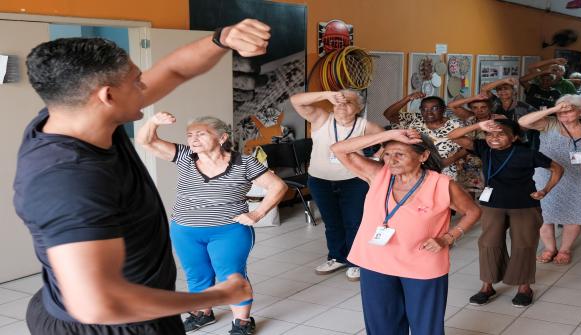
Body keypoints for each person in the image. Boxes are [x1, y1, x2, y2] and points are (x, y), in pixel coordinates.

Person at [14, 19, 267, 335]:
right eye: (136, 82)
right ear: (107, 96)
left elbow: (175, 70)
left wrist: (222, 39)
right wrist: (219, 295)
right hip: (108, 325)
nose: (145, 87)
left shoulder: (73, 115)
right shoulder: (69, 182)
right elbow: (99, 305)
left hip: (132, 312)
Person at [136, 113, 287, 334]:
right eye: (190, 135)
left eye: (200, 134)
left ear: (222, 137)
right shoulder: (185, 156)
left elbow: (278, 186)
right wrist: (153, 123)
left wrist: (257, 214)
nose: (193, 139)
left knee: (231, 275)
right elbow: (146, 141)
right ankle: (203, 313)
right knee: (196, 273)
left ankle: (242, 323)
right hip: (185, 231)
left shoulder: (244, 162)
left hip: (229, 231)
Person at [330, 129, 481, 335]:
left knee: (425, 327)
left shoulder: (442, 184)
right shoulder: (378, 175)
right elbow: (338, 149)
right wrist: (388, 136)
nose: (391, 161)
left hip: (423, 263)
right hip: (376, 262)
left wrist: (448, 237)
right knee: (382, 324)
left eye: (399, 154)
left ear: (423, 156)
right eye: (388, 154)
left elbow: (473, 211)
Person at [447, 119, 564, 307]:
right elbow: (453, 136)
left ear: (514, 137)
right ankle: (487, 286)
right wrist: (479, 126)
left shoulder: (526, 154)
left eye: (500, 134)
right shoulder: (484, 149)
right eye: (490, 134)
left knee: (523, 245)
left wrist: (545, 190)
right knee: (488, 243)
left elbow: (557, 168)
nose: (494, 138)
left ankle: (524, 287)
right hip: (493, 204)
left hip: (524, 205)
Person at [290, 90, 384, 281]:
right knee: (331, 223)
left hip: (354, 181)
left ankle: (356, 261)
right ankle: (337, 257)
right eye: (338, 102)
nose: (341, 105)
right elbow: (295, 100)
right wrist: (327, 95)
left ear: (359, 107)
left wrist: (375, 159)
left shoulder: (365, 125)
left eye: (347, 102)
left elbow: (388, 141)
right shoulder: (321, 118)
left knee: (354, 222)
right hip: (320, 180)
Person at [519, 95, 581, 265]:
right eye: (560, 112)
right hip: (546, 173)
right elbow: (523, 122)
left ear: (580, 111)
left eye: (569, 111)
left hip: (577, 176)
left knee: (574, 213)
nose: (564, 115)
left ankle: (565, 249)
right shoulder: (549, 123)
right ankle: (549, 248)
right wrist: (553, 109)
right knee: (545, 213)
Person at [384, 94, 467, 180]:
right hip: (414, 169)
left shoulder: (456, 124)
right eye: (424, 109)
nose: (429, 112)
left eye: (434, 108)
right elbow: (388, 114)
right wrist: (407, 98)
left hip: (445, 170)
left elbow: (468, 147)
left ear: (444, 109)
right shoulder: (415, 119)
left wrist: (449, 160)